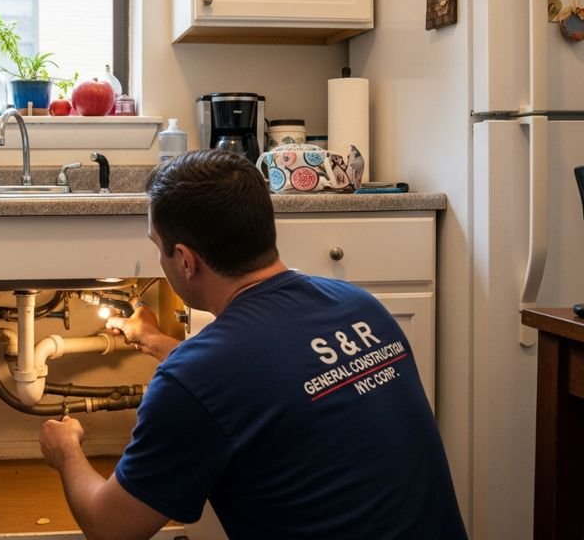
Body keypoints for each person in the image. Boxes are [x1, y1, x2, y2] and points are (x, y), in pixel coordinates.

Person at [39, 149, 467, 540]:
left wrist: (67, 451)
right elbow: (267, 381)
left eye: (158, 247)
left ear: (186, 260)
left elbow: (110, 526)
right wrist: (156, 341)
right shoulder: (358, 305)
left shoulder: (193, 379)